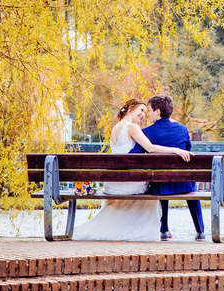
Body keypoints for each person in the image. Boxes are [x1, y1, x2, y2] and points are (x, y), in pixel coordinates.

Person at [72, 99, 191, 241]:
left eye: (145, 112)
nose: (143, 115)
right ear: (130, 110)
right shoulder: (132, 127)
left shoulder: (116, 128)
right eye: (141, 110)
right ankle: (143, 231)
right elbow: (150, 148)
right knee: (154, 190)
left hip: (114, 184)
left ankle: (124, 228)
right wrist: (176, 150)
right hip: (129, 182)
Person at [131, 93, 205, 241]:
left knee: (161, 181)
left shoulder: (146, 132)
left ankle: (164, 230)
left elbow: (133, 155)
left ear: (158, 112)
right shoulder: (183, 130)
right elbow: (188, 151)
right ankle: (200, 231)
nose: (148, 114)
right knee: (186, 185)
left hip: (161, 185)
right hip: (185, 184)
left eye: (150, 110)